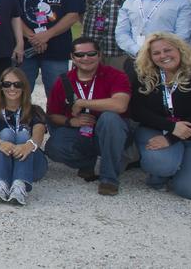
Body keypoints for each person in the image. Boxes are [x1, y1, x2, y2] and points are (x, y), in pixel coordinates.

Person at [131, 32, 191, 202]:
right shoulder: (145, 78)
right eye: (156, 53)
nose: (163, 56)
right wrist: (171, 128)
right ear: (150, 57)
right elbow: (137, 111)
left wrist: (172, 138)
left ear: (180, 50)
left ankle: (182, 169)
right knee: (162, 164)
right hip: (159, 131)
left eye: (168, 50)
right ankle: (163, 172)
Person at [45, 37, 133, 196]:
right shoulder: (64, 80)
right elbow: (52, 115)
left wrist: (83, 103)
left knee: (109, 118)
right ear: (72, 57)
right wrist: (70, 121)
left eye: (91, 54)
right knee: (54, 148)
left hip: (110, 133)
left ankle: (109, 178)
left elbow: (120, 105)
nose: (85, 58)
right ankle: (87, 162)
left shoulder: (116, 75)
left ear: (99, 55)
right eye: (80, 55)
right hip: (80, 131)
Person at [14, 0, 85, 99]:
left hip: (57, 50)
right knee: (19, 94)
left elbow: (73, 15)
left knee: (57, 95)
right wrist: (33, 37)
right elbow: (13, 15)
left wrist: (46, 35)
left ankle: (55, 116)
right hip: (26, 50)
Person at [0, 67, 49, 206]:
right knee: (6, 133)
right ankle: (1, 185)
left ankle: (19, 186)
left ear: (24, 87)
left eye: (17, 84)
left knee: (23, 135)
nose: (12, 88)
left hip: (31, 164)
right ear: (1, 87)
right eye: (7, 84)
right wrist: (1, 143)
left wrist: (28, 146)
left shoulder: (35, 111)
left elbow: (38, 135)